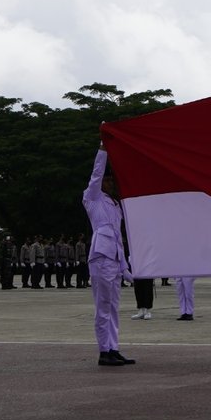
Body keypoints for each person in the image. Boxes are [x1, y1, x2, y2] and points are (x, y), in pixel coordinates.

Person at [84, 146, 135, 366]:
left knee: (113, 307)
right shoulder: (92, 197)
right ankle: (103, 350)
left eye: (111, 181)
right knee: (103, 307)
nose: (109, 183)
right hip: (100, 257)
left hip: (114, 259)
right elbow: (95, 174)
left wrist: (125, 269)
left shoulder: (115, 206)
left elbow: (118, 240)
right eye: (107, 180)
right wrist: (103, 151)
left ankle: (113, 348)